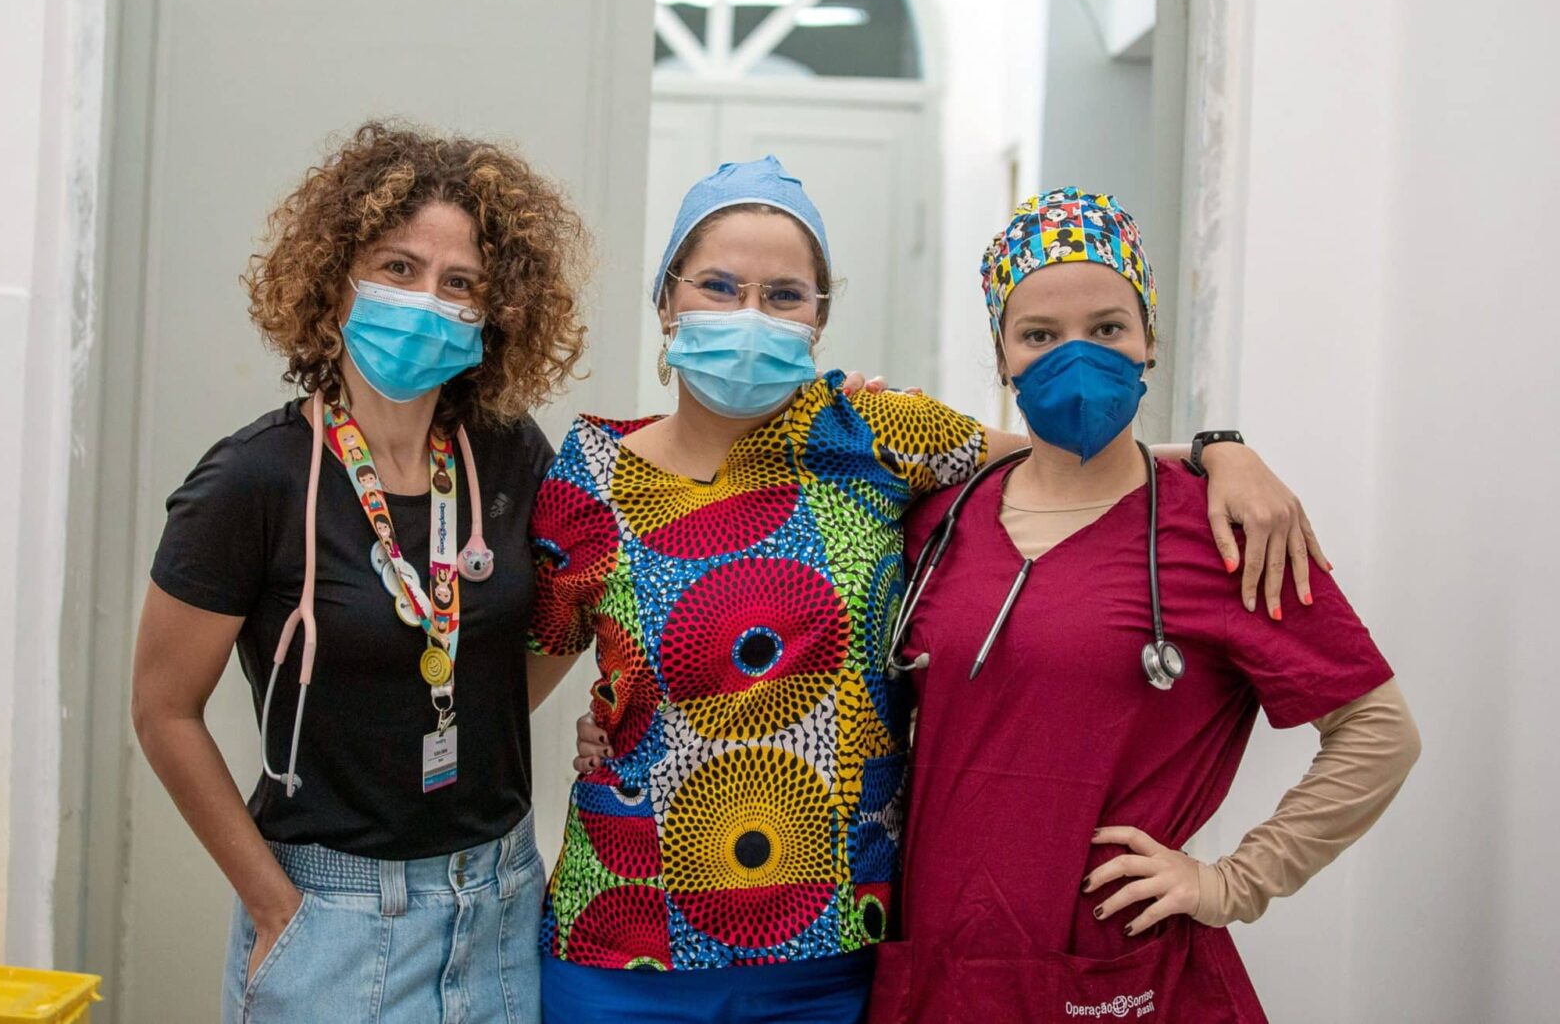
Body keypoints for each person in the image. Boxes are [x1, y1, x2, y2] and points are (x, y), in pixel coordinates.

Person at [536, 158, 1322, 1023]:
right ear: (666, 302)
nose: (750, 313)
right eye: (719, 287)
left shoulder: (876, 433)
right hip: (621, 930)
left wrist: (1221, 451)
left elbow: (1071, 460)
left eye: (784, 295)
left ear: (818, 319)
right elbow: (517, 685)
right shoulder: (588, 475)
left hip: (834, 941)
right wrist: (616, 713)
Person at [865, 189, 1421, 1022]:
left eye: (1107, 328)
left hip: (1118, 975)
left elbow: (1379, 732)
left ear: (1149, 339)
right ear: (1002, 355)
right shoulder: (939, 523)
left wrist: (1231, 882)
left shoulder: (1224, 529)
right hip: (939, 970)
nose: (1076, 357)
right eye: (1039, 335)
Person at [130, 121, 589, 1024]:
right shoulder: (252, 480)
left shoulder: (509, 453)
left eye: (460, 283)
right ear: (334, 280)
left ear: (495, 311)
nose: (426, 300)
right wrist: (275, 907)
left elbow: (563, 615)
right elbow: (162, 710)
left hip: (498, 901)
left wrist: (455, 700)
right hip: (331, 920)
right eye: (397, 268)